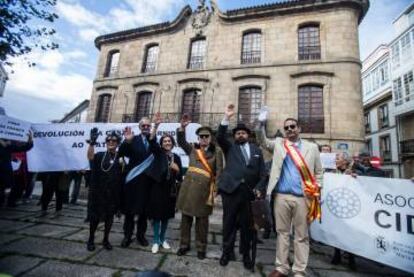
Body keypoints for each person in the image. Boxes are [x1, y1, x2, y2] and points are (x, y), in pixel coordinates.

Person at [257, 117, 323, 277]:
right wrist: (260, 124)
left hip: (303, 198)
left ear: (299, 128)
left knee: (301, 236)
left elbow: (319, 172)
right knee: (282, 233)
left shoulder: (312, 148)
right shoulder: (279, 143)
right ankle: (281, 267)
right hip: (281, 197)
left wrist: (317, 187)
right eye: (286, 128)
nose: (289, 129)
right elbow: (263, 140)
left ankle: (299, 270)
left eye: (293, 126)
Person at [217, 104, 267, 271]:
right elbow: (220, 137)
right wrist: (226, 117)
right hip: (230, 191)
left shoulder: (257, 150)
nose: (240, 135)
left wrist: (259, 188)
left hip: (249, 195)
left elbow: (263, 174)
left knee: (248, 227)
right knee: (229, 224)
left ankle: (246, 255)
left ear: (248, 135)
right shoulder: (230, 147)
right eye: (237, 133)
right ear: (235, 136)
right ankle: (227, 252)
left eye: (243, 133)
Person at [175, 114, 223, 260]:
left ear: (210, 138)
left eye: (206, 136)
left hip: (204, 191)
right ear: (198, 138)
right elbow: (181, 141)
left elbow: (220, 171)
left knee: (202, 222)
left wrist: (216, 189)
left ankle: (201, 247)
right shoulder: (192, 150)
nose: (203, 138)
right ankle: (184, 245)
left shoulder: (217, 152)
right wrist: (182, 128)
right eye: (201, 136)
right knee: (186, 219)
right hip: (188, 189)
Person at [147, 115, 183, 254]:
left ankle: (163, 239)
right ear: (161, 144)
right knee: (157, 215)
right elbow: (151, 141)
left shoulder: (177, 157)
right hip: (157, 188)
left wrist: (177, 169)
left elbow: (180, 177)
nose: (167, 143)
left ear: (172, 143)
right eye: (165, 141)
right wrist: (155, 127)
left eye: (169, 141)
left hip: (170, 190)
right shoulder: (158, 153)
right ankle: (156, 240)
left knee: (166, 215)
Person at [119, 118, 157, 248]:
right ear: (140, 127)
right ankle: (127, 236)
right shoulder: (132, 139)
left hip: (147, 182)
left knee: (144, 212)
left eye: (148, 125)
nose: (146, 127)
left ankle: (141, 236)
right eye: (143, 125)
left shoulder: (154, 139)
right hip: (133, 181)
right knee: (130, 211)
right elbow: (121, 152)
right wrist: (127, 141)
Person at [86, 130, 123, 251]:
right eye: (108, 140)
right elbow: (90, 157)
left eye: (114, 141)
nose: (111, 142)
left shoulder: (121, 158)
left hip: (112, 194)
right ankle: (91, 239)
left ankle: (106, 239)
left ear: (118, 143)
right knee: (94, 218)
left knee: (109, 218)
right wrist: (92, 143)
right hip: (98, 193)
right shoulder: (100, 155)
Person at [330, 152, 356, 270]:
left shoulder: (353, 172)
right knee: (336, 230)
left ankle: (351, 257)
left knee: (349, 233)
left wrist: (355, 177)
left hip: (349, 207)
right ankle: (337, 254)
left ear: (345, 161)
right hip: (336, 205)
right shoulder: (332, 172)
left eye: (338, 158)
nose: (335, 160)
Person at [0, 133, 33, 207]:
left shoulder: (8, 146)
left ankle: (8, 202)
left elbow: (23, 148)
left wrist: (30, 140)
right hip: (4, 170)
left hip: (5, 171)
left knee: (4, 189)